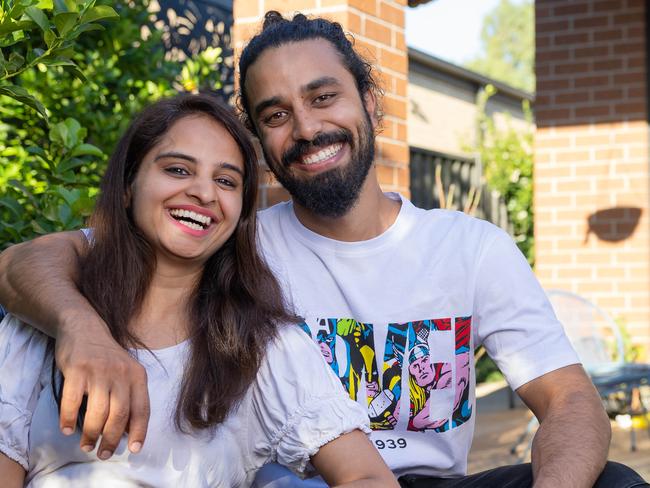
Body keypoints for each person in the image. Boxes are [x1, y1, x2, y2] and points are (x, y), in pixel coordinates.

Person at [0, 10, 647, 488]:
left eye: (323, 96)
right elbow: (26, 263)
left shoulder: (469, 249)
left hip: (427, 483)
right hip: (296, 483)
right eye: (276, 114)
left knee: (614, 483)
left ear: (368, 100)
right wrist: (79, 327)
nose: (306, 128)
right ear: (259, 139)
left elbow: (568, 400)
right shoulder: (227, 244)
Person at [0, 94, 398, 487]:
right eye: (177, 170)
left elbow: (368, 477)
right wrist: (82, 332)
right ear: (127, 186)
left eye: (225, 181)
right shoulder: (47, 313)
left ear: (241, 212)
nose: (204, 193)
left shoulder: (261, 344)